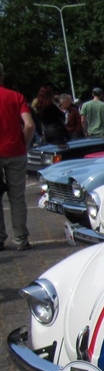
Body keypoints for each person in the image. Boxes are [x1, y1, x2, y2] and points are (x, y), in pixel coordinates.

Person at [0, 62, 35, 251]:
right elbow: (29, 125)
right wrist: (24, 143)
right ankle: (20, 238)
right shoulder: (16, 96)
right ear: (3, 76)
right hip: (15, 151)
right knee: (17, 197)